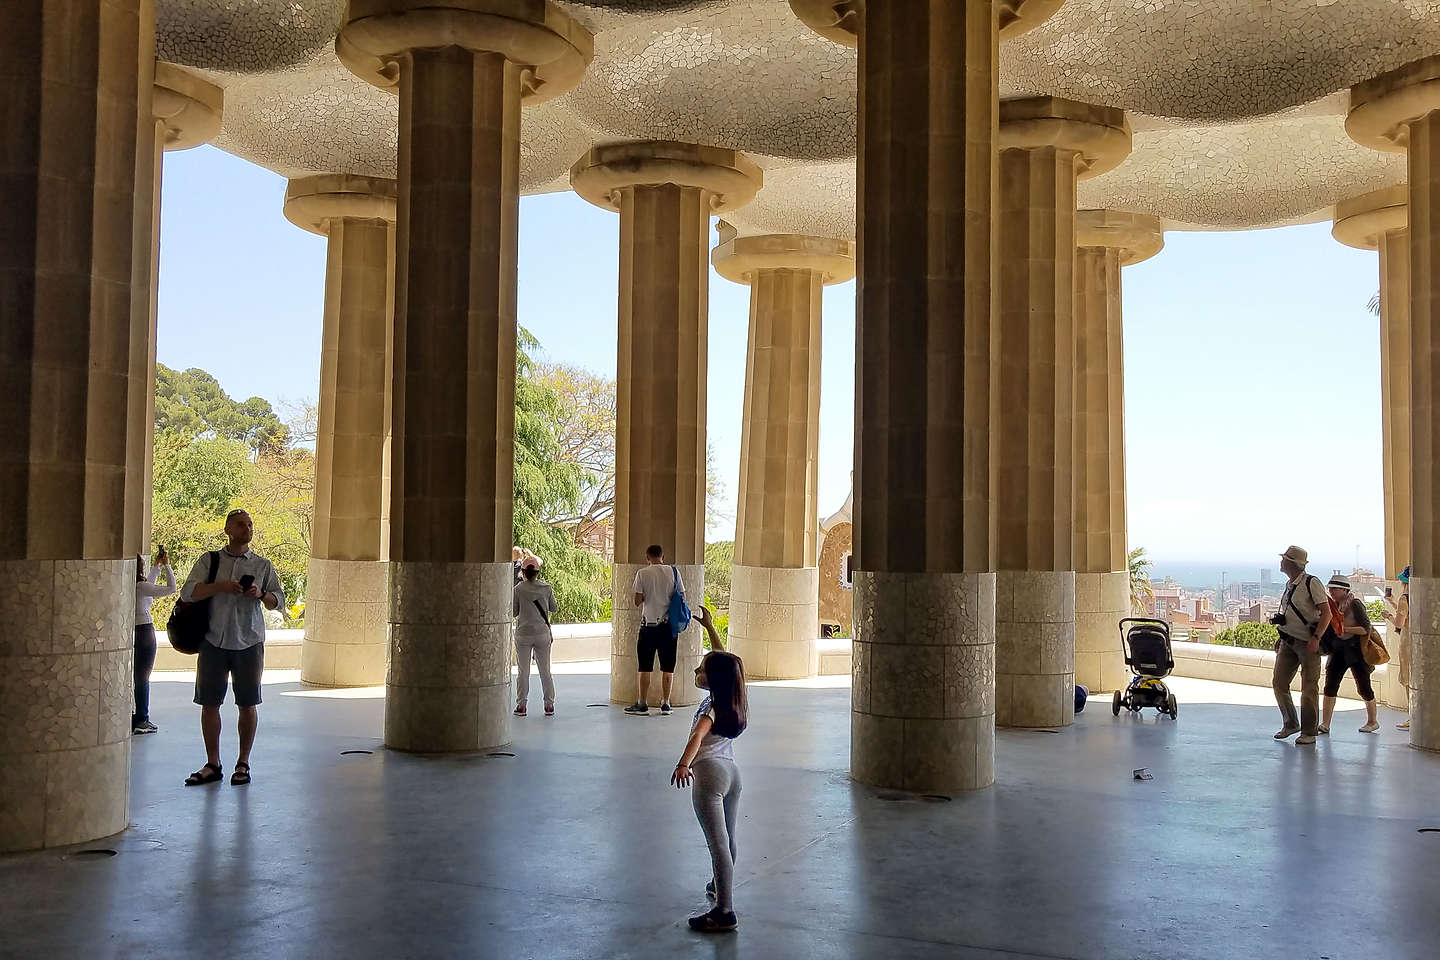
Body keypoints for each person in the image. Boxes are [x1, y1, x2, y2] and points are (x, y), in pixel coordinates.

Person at [179, 509, 284, 787]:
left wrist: (260, 594)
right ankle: (212, 763)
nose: (247, 528)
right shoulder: (209, 560)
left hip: (249, 641)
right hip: (213, 639)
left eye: (250, 524)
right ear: (228, 530)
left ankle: (243, 762)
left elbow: (279, 601)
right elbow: (188, 592)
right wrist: (221, 586)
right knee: (209, 703)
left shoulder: (263, 565)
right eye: (240, 524)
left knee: (248, 703)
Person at [671, 650, 748, 933]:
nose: (696, 671)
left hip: (709, 774)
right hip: (732, 772)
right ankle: (719, 885)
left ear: (714, 677)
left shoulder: (710, 708)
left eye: (702, 669)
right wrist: (711, 628)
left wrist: (683, 764)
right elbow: (730, 661)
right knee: (728, 840)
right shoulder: (733, 699)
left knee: (717, 844)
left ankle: (724, 911)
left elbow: (697, 736)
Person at [1270, 545, 1332, 745]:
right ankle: (1290, 722)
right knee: (1279, 682)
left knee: (1309, 687)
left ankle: (1308, 731)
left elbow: (1326, 613)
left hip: (1307, 642)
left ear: (1291, 563)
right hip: (1288, 640)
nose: (1281, 562)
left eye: (1284, 559)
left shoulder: (1311, 583)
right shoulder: (1290, 584)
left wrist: (1316, 637)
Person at [625, 544, 685, 716]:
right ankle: (666, 703)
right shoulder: (674, 572)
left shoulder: (643, 573)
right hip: (668, 628)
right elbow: (682, 595)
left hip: (648, 627)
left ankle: (642, 703)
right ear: (662, 556)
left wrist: (647, 596)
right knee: (668, 666)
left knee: (644, 666)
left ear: (647, 557)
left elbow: (637, 600)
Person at [1320, 576, 1379, 735]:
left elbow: (1366, 628)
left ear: (1344, 590)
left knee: (1363, 686)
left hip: (1355, 650)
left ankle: (1372, 721)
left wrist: (1344, 629)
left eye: (1335, 589)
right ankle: (1325, 724)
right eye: (1330, 589)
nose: (1331, 591)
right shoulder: (1332, 606)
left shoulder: (1355, 604)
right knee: (1330, 686)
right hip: (1338, 650)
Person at [132, 546, 176, 735]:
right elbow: (171, 588)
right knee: (143, 677)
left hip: (133, 630)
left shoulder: (134, 587)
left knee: (137, 676)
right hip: (144, 631)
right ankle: (142, 718)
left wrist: (157, 566)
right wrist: (167, 566)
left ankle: (137, 715)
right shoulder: (140, 587)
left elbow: (149, 586)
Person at [512, 556, 558, 717]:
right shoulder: (547, 588)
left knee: (523, 672)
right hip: (542, 634)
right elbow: (554, 608)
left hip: (523, 634)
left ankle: (521, 705)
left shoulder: (518, 589)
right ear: (537, 572)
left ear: (523, 572)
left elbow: (514, 612)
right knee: (545, 670)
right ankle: (549, 705)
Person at [1386, 566, 1412, 729]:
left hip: (1407, 643)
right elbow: (1406, 614)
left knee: (1408, 679)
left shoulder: (1405, 598)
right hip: (1419, 642)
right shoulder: (1419, 596)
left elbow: (1400, 623)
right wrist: (1393, 602)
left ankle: (1412, 717)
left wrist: (1388, 616)